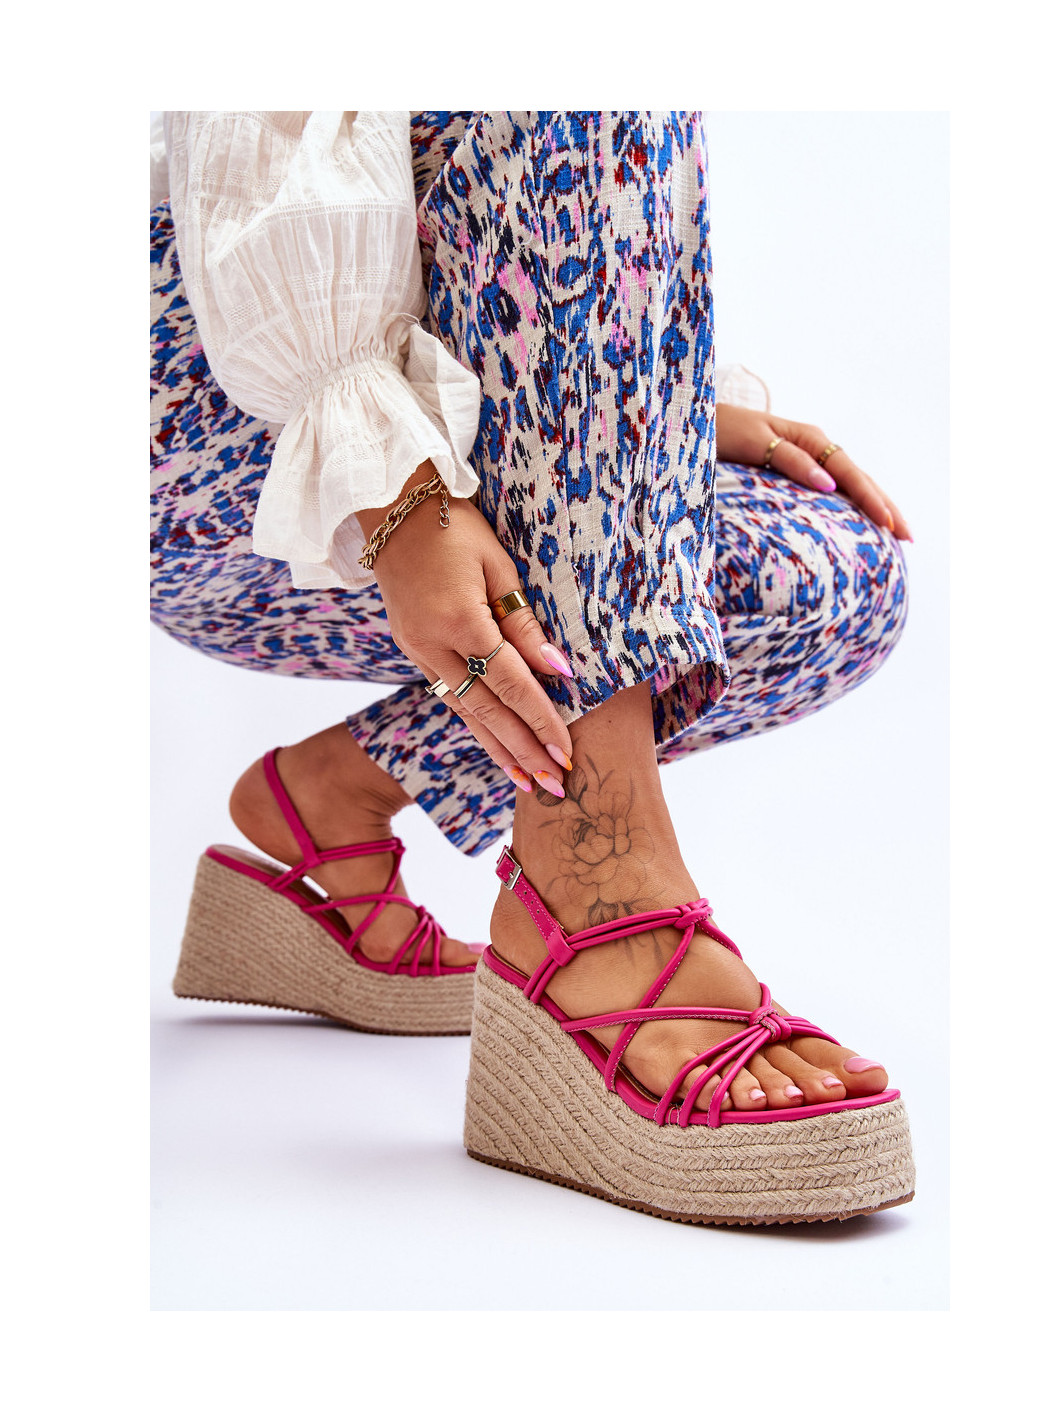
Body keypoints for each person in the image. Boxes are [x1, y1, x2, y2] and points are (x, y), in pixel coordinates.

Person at [152, 110, 916, 1224]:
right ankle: (595, 878)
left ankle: (333, 794)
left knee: (831, 576)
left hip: (409, 431)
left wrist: (637, 415)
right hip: (202, 398)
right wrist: (394, 482)